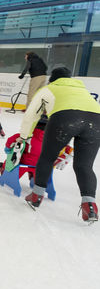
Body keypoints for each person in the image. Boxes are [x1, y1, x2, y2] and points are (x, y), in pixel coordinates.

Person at [20, 66, 100, 221]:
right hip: (96, 122)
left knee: (47, 158)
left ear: (52, 79)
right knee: (84, 166)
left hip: (65, 119)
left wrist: (24, 136)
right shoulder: (82, 90)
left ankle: (36, 195)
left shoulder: (49, 89)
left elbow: (31, 115)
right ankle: (90, 206)